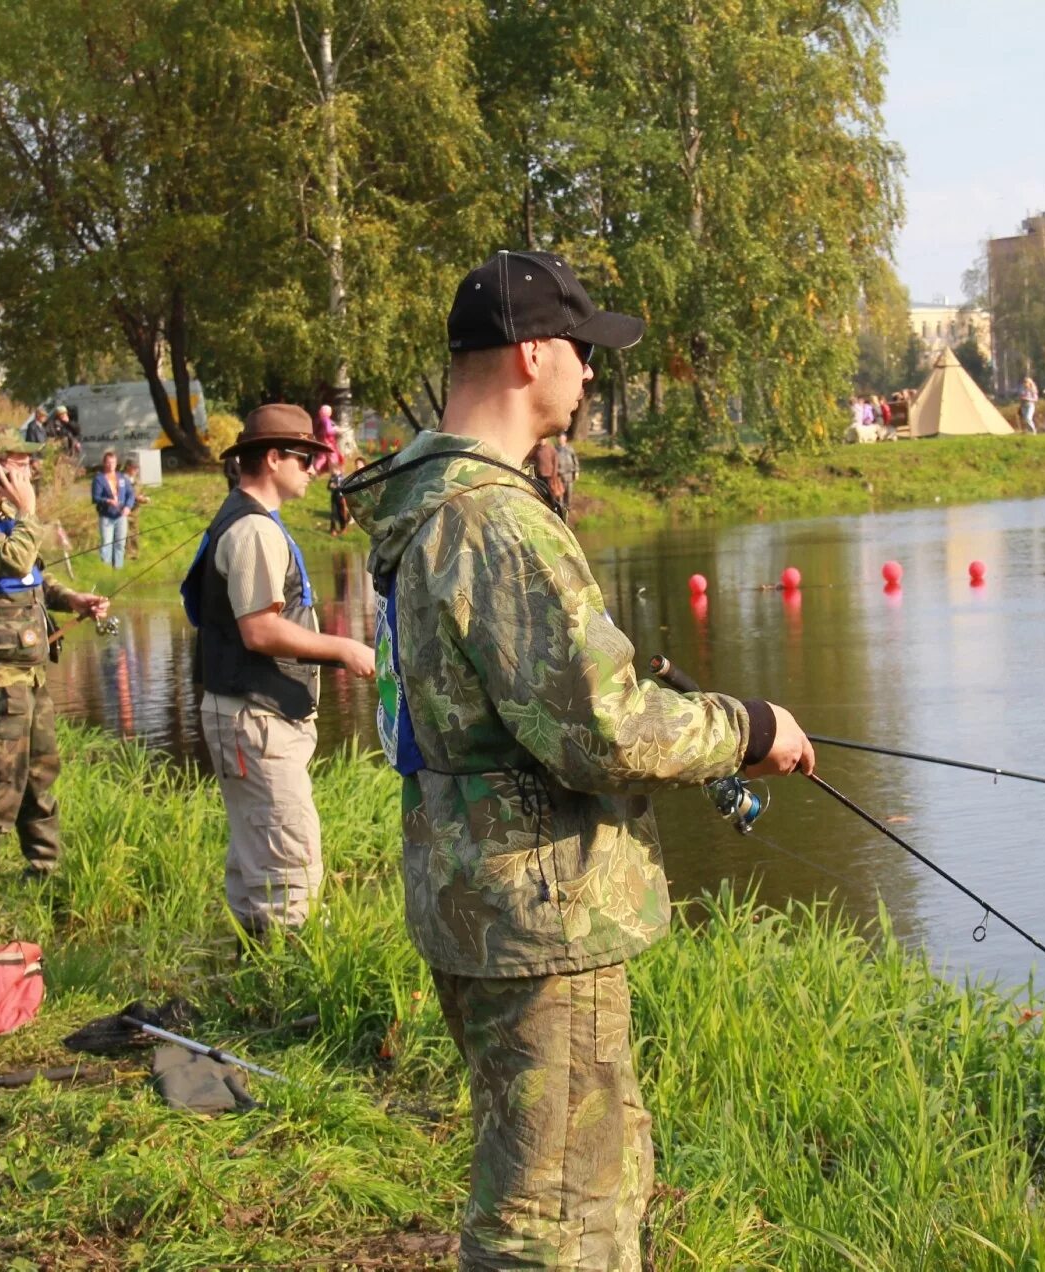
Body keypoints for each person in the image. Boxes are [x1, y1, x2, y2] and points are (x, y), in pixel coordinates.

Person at [338, 249, 815, 1268]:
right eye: (584, 353)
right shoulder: (496, 520)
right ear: (532, 353)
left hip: (477, 896)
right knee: (551, 1223)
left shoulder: (425, 507)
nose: (592, 375)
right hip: (541, 916)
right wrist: (751, 728)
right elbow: (606, 735)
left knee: (575, 1180)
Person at [184, 405, 375, 934]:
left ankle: (252, 986)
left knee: (257, 865)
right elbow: (259, 631)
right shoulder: (253, 531)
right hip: (255, 720)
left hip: (249, 716)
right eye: (304, 457)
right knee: (290, 866)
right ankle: (291, 987)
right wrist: (344, 648)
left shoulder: (249, 521)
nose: (316, 468)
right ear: (272, 459)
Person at [0, 430, 108, 900]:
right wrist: (30, 511)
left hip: (28, 662)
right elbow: (12, 559)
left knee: (39, 769)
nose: (29, 470)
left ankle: (44, 871)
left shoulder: (1, 513)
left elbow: (32, 574)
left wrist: (71, 598)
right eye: (19, 462)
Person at [91, 451, 132, 568]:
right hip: (106, 516)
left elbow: (130, 494)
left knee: (120, 543)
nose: (111, 465)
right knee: (107, 543)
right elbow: (95, 498)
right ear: (104, 463)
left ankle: (118, 568)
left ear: (116, 463)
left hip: (121, 516)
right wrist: (108, 501)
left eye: (113, 462)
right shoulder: (99, 479)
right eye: (108, 463)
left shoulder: (122, 478)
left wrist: (128, 507)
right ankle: (105, 569)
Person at [529, 436, 566, 518]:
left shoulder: (551, 449)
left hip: (549, 475)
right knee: (541, 492)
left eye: (543, 439)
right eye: (540, 439)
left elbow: (555, 462)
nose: (542, 441)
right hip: (539, 476)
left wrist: (554, 474)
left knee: (552, 493)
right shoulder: (536, 449)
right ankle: (543, 508)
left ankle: (554, 509)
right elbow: (530, 458)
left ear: (546, 440)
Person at [554, 429, 580, 501]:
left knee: (569, 494)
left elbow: (575, 461)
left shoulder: (570, 449)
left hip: (569, 475)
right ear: (557, 439)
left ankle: (568, 508)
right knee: (559, 494)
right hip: (559, 475)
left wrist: (576, 472)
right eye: (559, 438)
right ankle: (561, 509)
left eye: (562, 437)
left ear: (565, 438)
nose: (560, 439)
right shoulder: (554, 450)